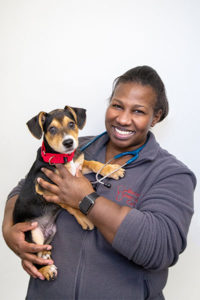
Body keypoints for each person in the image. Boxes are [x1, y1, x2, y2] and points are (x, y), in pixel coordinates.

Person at [2, 66, 196, 300]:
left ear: (156, 117)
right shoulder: (73, 147)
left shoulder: (171, 174)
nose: (123, 118)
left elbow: (160, 249)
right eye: (117, 105)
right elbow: (26, 185)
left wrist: (86, 199)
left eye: (138, 111)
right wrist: (9, 227)